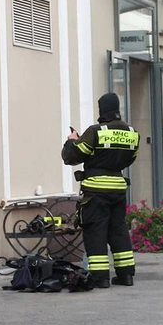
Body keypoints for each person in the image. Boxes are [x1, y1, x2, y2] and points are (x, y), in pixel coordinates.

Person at [62, 92, 140, 289]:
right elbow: (131, 158)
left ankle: (100, 278)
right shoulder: (132, 133)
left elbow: (73, 156)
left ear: (102, 109)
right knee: (118, 231)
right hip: (118, 187)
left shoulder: (96, 131)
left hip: (96, 191)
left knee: (96, 232)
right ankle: (126, 275)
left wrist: (72, 140)